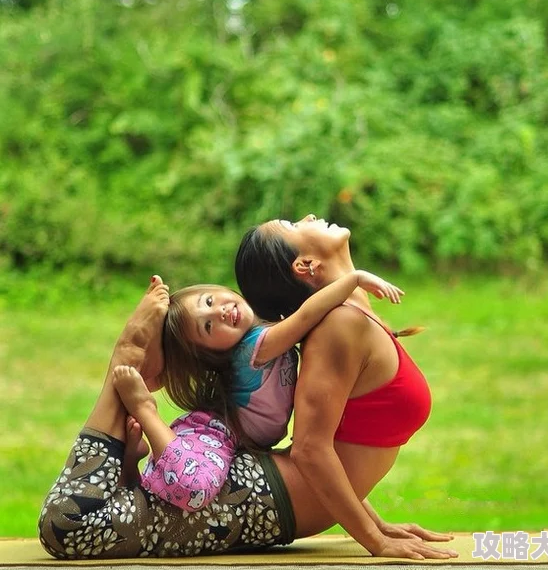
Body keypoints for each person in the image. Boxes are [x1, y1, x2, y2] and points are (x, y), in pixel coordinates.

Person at [38, 219, 458, 560]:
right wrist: (375, 540)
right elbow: (311, 451)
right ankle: (125, 359)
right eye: (295, 223)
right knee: (70, 525)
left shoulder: (345, 316)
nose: (309, 217)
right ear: (304, 265)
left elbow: (331, 445)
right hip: (258, 498)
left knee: (101, 518)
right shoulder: (339, 324)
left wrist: (375, 522)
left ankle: (130, 445)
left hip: (258, 493)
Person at [111, 270, 406, 513]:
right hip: (214, 433)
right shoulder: (253, 349)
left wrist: (379, 525)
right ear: (210, 353)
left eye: (211, 300)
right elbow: (306, 316)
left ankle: (131, 468)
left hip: (239, 442)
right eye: (209, 326)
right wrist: (353, 280)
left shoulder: (263, 335)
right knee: (195, 489)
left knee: (155, 497)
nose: (221, 311)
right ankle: (144, 410)